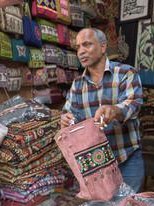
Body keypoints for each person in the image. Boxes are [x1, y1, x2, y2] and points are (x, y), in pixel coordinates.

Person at [61, 28, 144, 192]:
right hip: (96, 164)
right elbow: (69, 113)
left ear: (103, 47)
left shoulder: (125, 73)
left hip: (126, 157)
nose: (81, 51)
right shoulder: (78, 84)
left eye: (87, 44)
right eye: (78, 47)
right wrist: (66, 119)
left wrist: (114, 110)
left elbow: (133, 104)